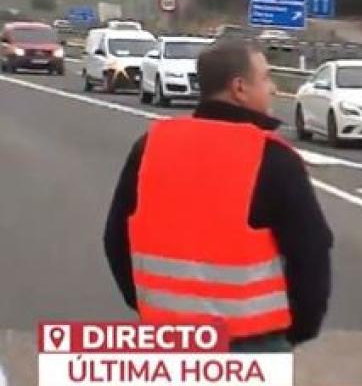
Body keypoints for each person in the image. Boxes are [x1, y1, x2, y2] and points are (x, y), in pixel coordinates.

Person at [103, 40, 333, 352]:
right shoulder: (273, 157)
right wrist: (294, 332)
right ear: (239, 87)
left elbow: (115, 239)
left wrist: (146, 305)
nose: (274, 89)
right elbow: (311, 253)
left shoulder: (151, 146)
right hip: (249, 342)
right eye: (265, 78)